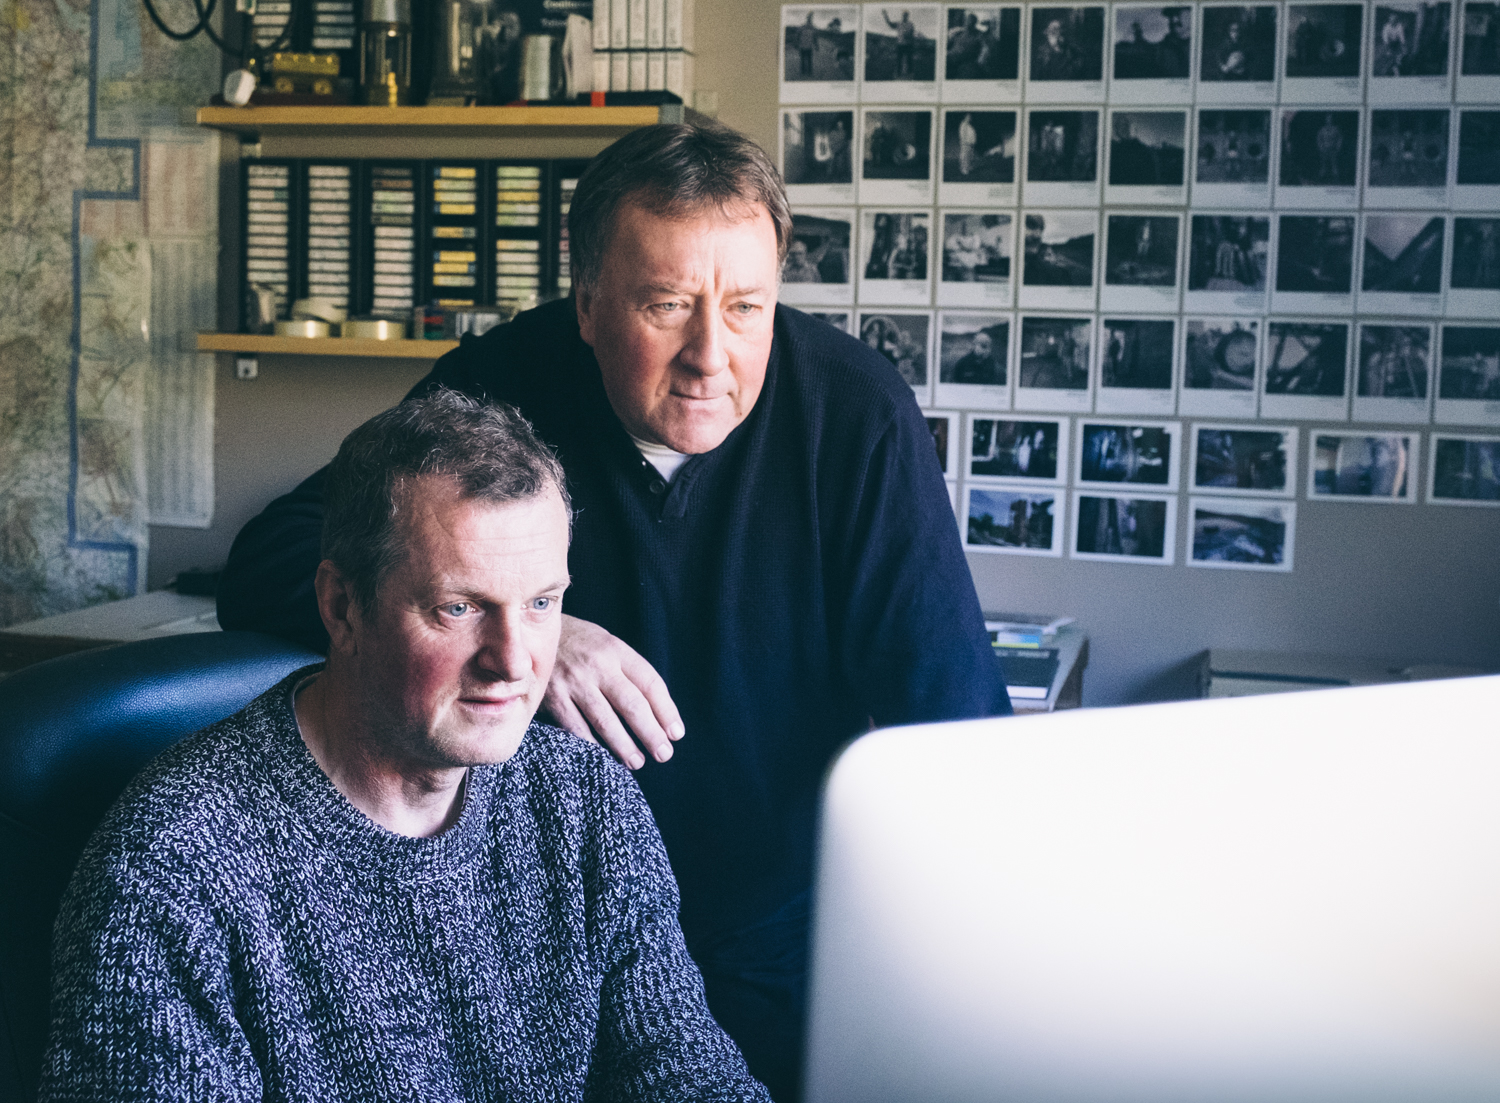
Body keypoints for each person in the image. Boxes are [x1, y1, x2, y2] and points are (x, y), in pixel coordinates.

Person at [216, 122, 1010, 1103]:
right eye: (667, 304)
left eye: (747, 307)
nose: (709, 356)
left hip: (774, 943)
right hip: (537, 948)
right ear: (586, 301)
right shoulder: (501, 382)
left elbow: (959, 732)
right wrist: (537, 637)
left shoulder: (856, 414)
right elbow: (280, 557)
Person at [41, 391, 770, 1102]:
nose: (514, 662)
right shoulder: (174, 868)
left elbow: (684, 1070)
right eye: (459, 608)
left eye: (543, 603)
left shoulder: (585, 802)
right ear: (342, 606)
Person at [796, 12, 818, 77]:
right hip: (802, 46)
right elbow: (797, 36)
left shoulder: (813, 28)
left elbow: (815, 38)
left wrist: (816, 46)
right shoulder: (802, 27)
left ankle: (809, 72)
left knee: (809, 60)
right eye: (809, 19)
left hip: (809, 47)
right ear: (807, 20)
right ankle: (804, 72)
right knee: (803, 59)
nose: (809, 21)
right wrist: (797, 43)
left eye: (810, 19)